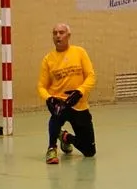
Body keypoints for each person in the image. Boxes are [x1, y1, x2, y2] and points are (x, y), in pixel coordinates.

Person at [37, 23, 97, 165]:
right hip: (61, 103)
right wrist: (49, 99)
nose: (58, 36)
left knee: (89, 152)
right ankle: (52, 148)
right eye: (55, 33)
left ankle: (64, 137)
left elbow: (91, 76)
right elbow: (41, 86)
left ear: (68, 36)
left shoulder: (79, 52)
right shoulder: (48, 59)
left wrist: (80, 92)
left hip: (79, 105)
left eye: (61, 32)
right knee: (56, 114)